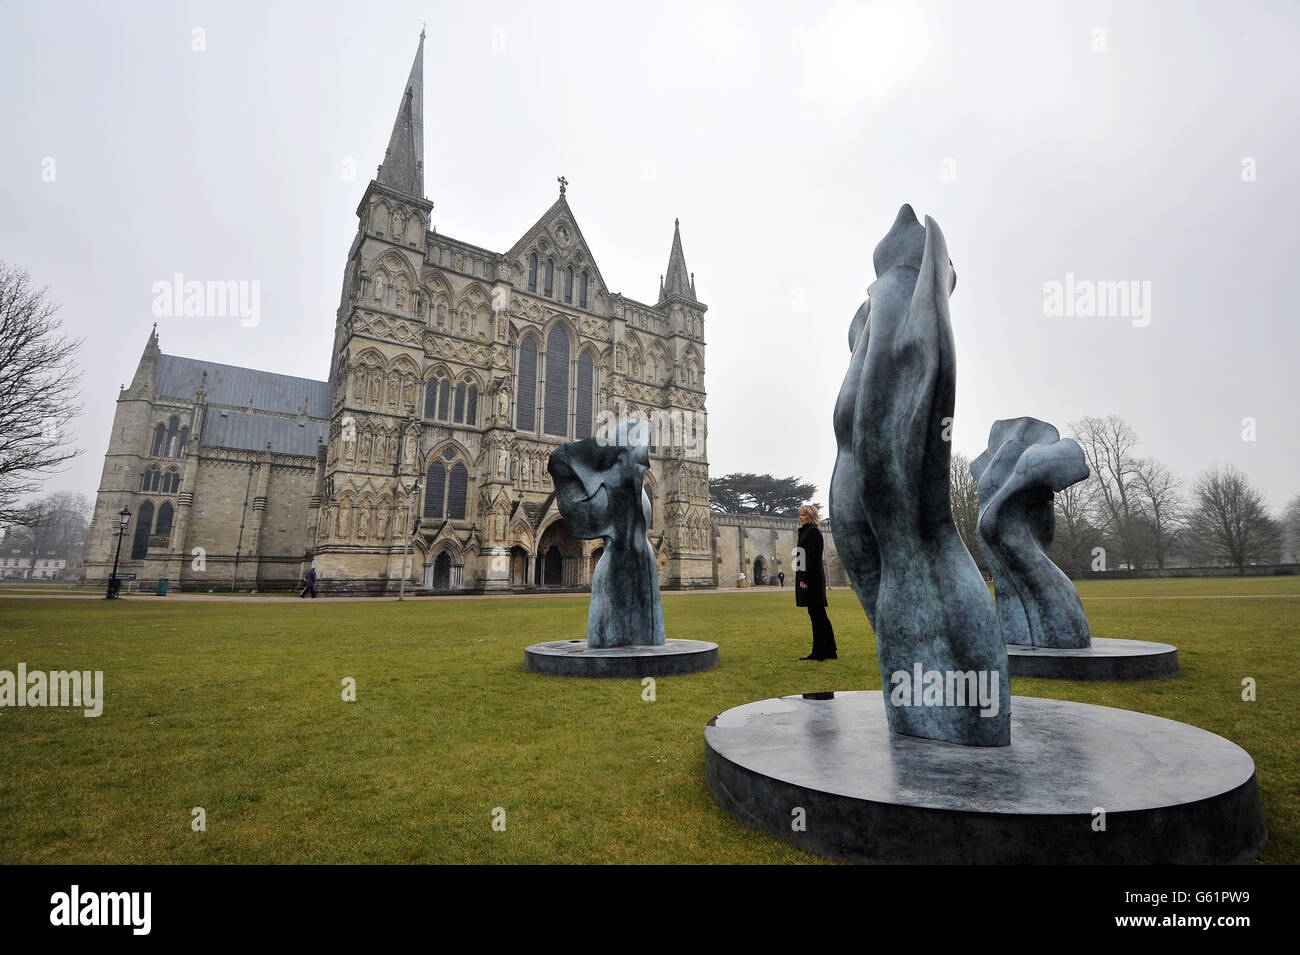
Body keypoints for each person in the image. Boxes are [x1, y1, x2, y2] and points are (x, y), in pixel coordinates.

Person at [795, 504, 836, 660]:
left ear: (810, 516)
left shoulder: (813, 532)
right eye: (800, 514)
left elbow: (813, 558)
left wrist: (804, 578)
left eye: (803, 515)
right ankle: (830, 650)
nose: (800, 517)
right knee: (819, 614)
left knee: (817, 615)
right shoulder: (806, 532)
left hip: (812, 579)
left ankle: (819, 651)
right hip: (809, 576)